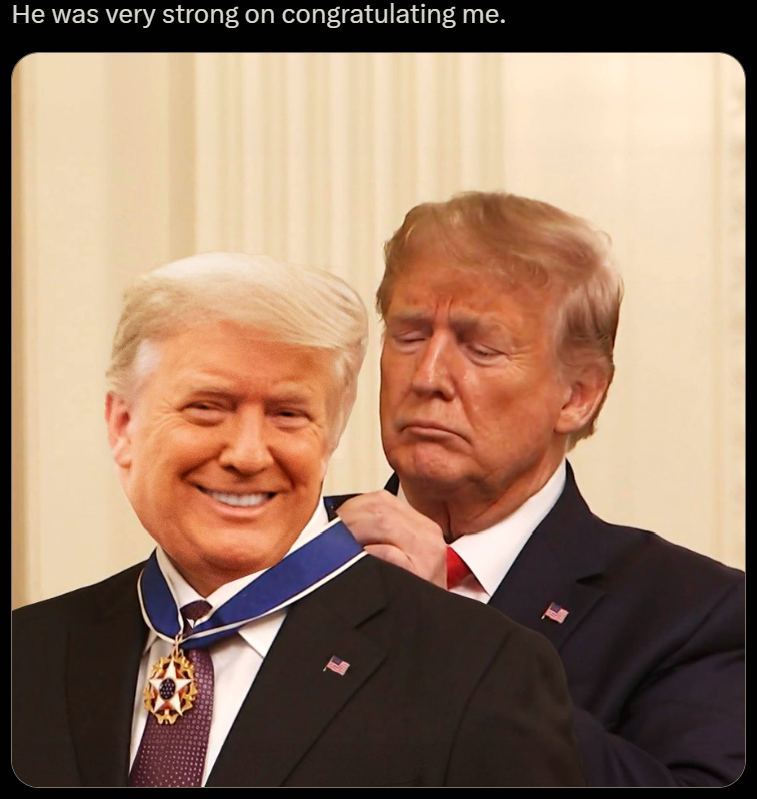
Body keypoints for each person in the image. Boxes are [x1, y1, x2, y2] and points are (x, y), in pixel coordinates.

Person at [12, 252, 586, 788]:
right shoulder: (27, 653)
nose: (247, 454)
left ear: (329, 436)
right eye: (207, 408)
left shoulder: (477, 671)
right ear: (123, 426)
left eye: (288, 414)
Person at [336, 192, 745, 787]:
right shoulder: (293, 552)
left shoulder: (693, 612)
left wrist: (450, 636)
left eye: (481, 348)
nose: (428, 376)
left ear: (577, 396)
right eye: (410, 334)